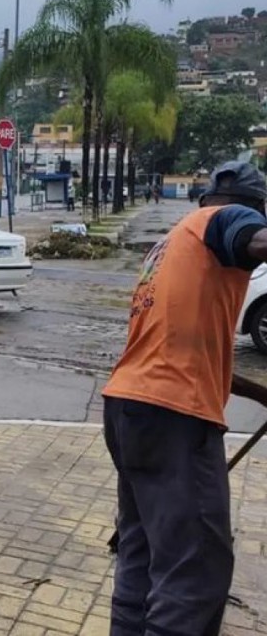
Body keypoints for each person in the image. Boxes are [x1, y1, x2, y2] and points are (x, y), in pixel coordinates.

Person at [102, 161, 267, 636]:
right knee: (195, 572)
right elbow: (255, 239)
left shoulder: (172, 244)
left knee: (143, 553)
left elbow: (182, 347)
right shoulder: (226, 222)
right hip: (174, 415)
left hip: (129, 409)